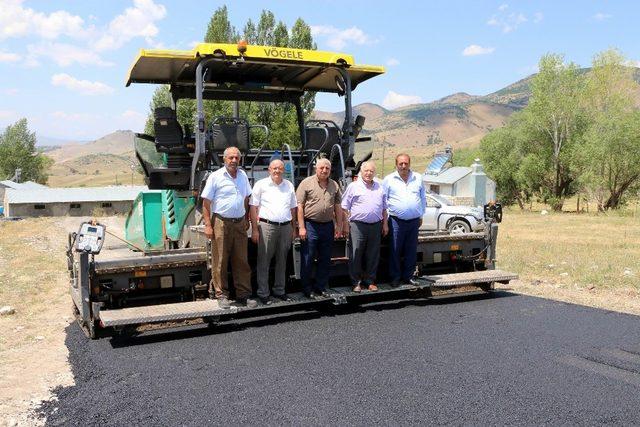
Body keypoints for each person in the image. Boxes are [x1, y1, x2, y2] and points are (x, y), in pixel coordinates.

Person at [201, 146, 256, 308]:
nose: (233, 160)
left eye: (236, 158)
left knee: (241, 260)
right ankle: (221, 295)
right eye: (230, 158)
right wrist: (208, 225)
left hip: (239, 223)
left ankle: (243, 295)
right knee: (220, 261)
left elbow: (246, 198)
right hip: (221, 223)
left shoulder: (243, 175)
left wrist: (246, 218)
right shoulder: (215, 177)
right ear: (224, 159)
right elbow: (206, 203)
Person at [249, 159, 297, 305]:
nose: (277, 171)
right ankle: (263, 293)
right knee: (264, 261)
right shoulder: (261, 184)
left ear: (284, 170)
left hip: (285, 227)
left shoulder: (288, 185)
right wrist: (255, 229)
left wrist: (293, 228)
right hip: (266, 226)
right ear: (269, 169)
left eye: (280, 168)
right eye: (274, 168)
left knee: (282, 261)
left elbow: (293, 208)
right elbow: (253, 206)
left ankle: (279, 291)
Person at [296, 158, 343, 298]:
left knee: (325, 258)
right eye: (321, 168)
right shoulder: (306, 183)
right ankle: (306, 288)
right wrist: (301, 227)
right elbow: (300, 206)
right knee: (308, 258)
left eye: (327, 168)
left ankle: (320, 287)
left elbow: (338, 207)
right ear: (316, 168)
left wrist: (339, 225)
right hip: (310, 225)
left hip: (328, 226)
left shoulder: (334, 185)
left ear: (330, 170)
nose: (324, 170)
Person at [341, 161, 388, 292]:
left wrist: (385, 224)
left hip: (376, 225)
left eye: (371, 171)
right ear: (361, 172)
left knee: (373, 254)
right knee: (356, 253)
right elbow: (344, 207)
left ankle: (370, 281)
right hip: (357, 225)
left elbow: (384, 208)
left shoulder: (380, 187)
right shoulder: (353, 186)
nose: (368, 173)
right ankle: (356, 282)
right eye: (366, 171)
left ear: (374, 173)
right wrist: (346, 224)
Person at [383, 153, 426, 287]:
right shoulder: (389, 179)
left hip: (414, 221)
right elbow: (384, 201)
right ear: (396, 165)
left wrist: (421, 215)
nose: (403, 166)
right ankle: (395, 278)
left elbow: (423, 198)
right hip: (396, 221)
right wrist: (386, 220)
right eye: (400, 163)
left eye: (406, 163)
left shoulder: (418, 178)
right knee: (395, 250)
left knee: (411, 250)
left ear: (409, 164)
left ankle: (409, 276)